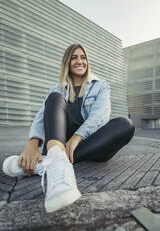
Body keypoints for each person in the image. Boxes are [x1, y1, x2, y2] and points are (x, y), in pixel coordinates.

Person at [2, 43, 135, 213]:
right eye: (74, 57)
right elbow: (41, 116)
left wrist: (76, 137)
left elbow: (100, 116)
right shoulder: (58, 88)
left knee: (125, 124)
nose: (79, 61)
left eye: (83, 57)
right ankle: (57, 159)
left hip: (91, 145)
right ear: (67, 62)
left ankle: (47, 162)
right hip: (60, 143)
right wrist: (32, 145)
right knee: (55, 98)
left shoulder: (100, 85)